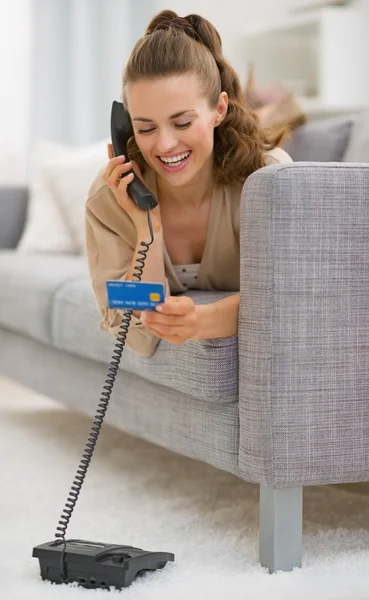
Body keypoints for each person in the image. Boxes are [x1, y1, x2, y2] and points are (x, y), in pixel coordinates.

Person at [85, 10, 292, 358]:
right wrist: (147, 229)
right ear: (126, 128)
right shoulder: (111, 196)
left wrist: (204, 320)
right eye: (146, 128)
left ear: (219, 109)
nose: (165, 145)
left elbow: (293, 293)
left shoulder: (267, 180)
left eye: (181, 123)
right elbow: (136, 336)